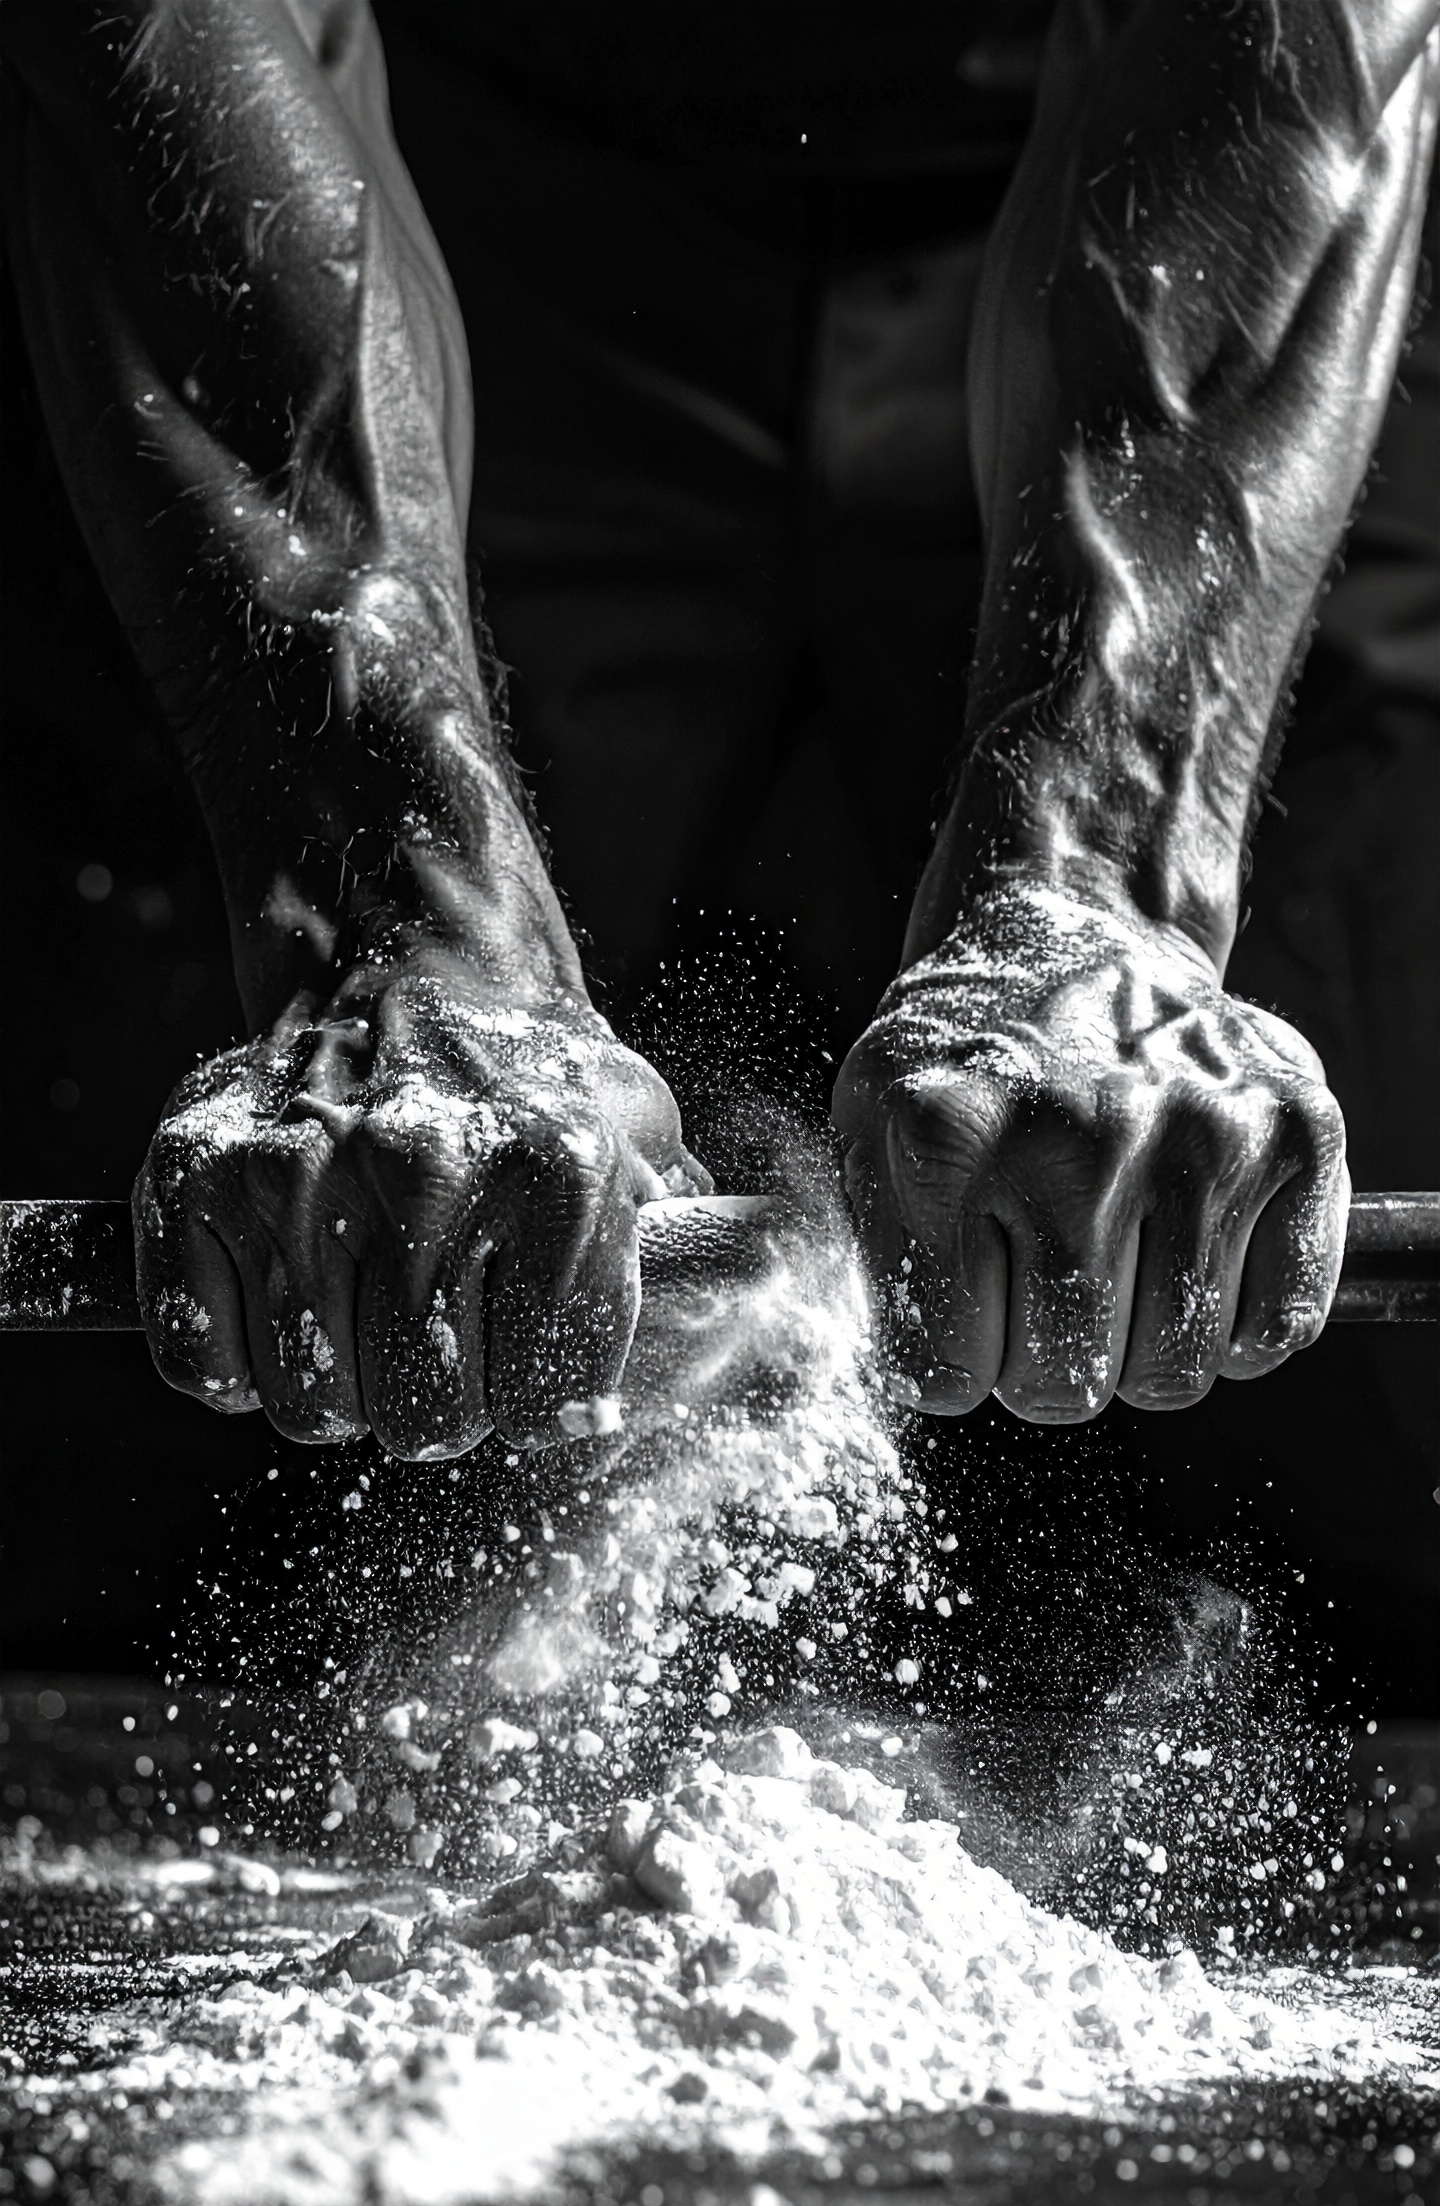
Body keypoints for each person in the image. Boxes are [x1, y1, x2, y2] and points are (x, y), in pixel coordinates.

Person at [4, 0, 1435, 1461]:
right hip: (434, 192)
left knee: (1333, 1372)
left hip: (1189, 184)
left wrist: (1100, 886)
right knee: (260, 1316)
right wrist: (395, 904)